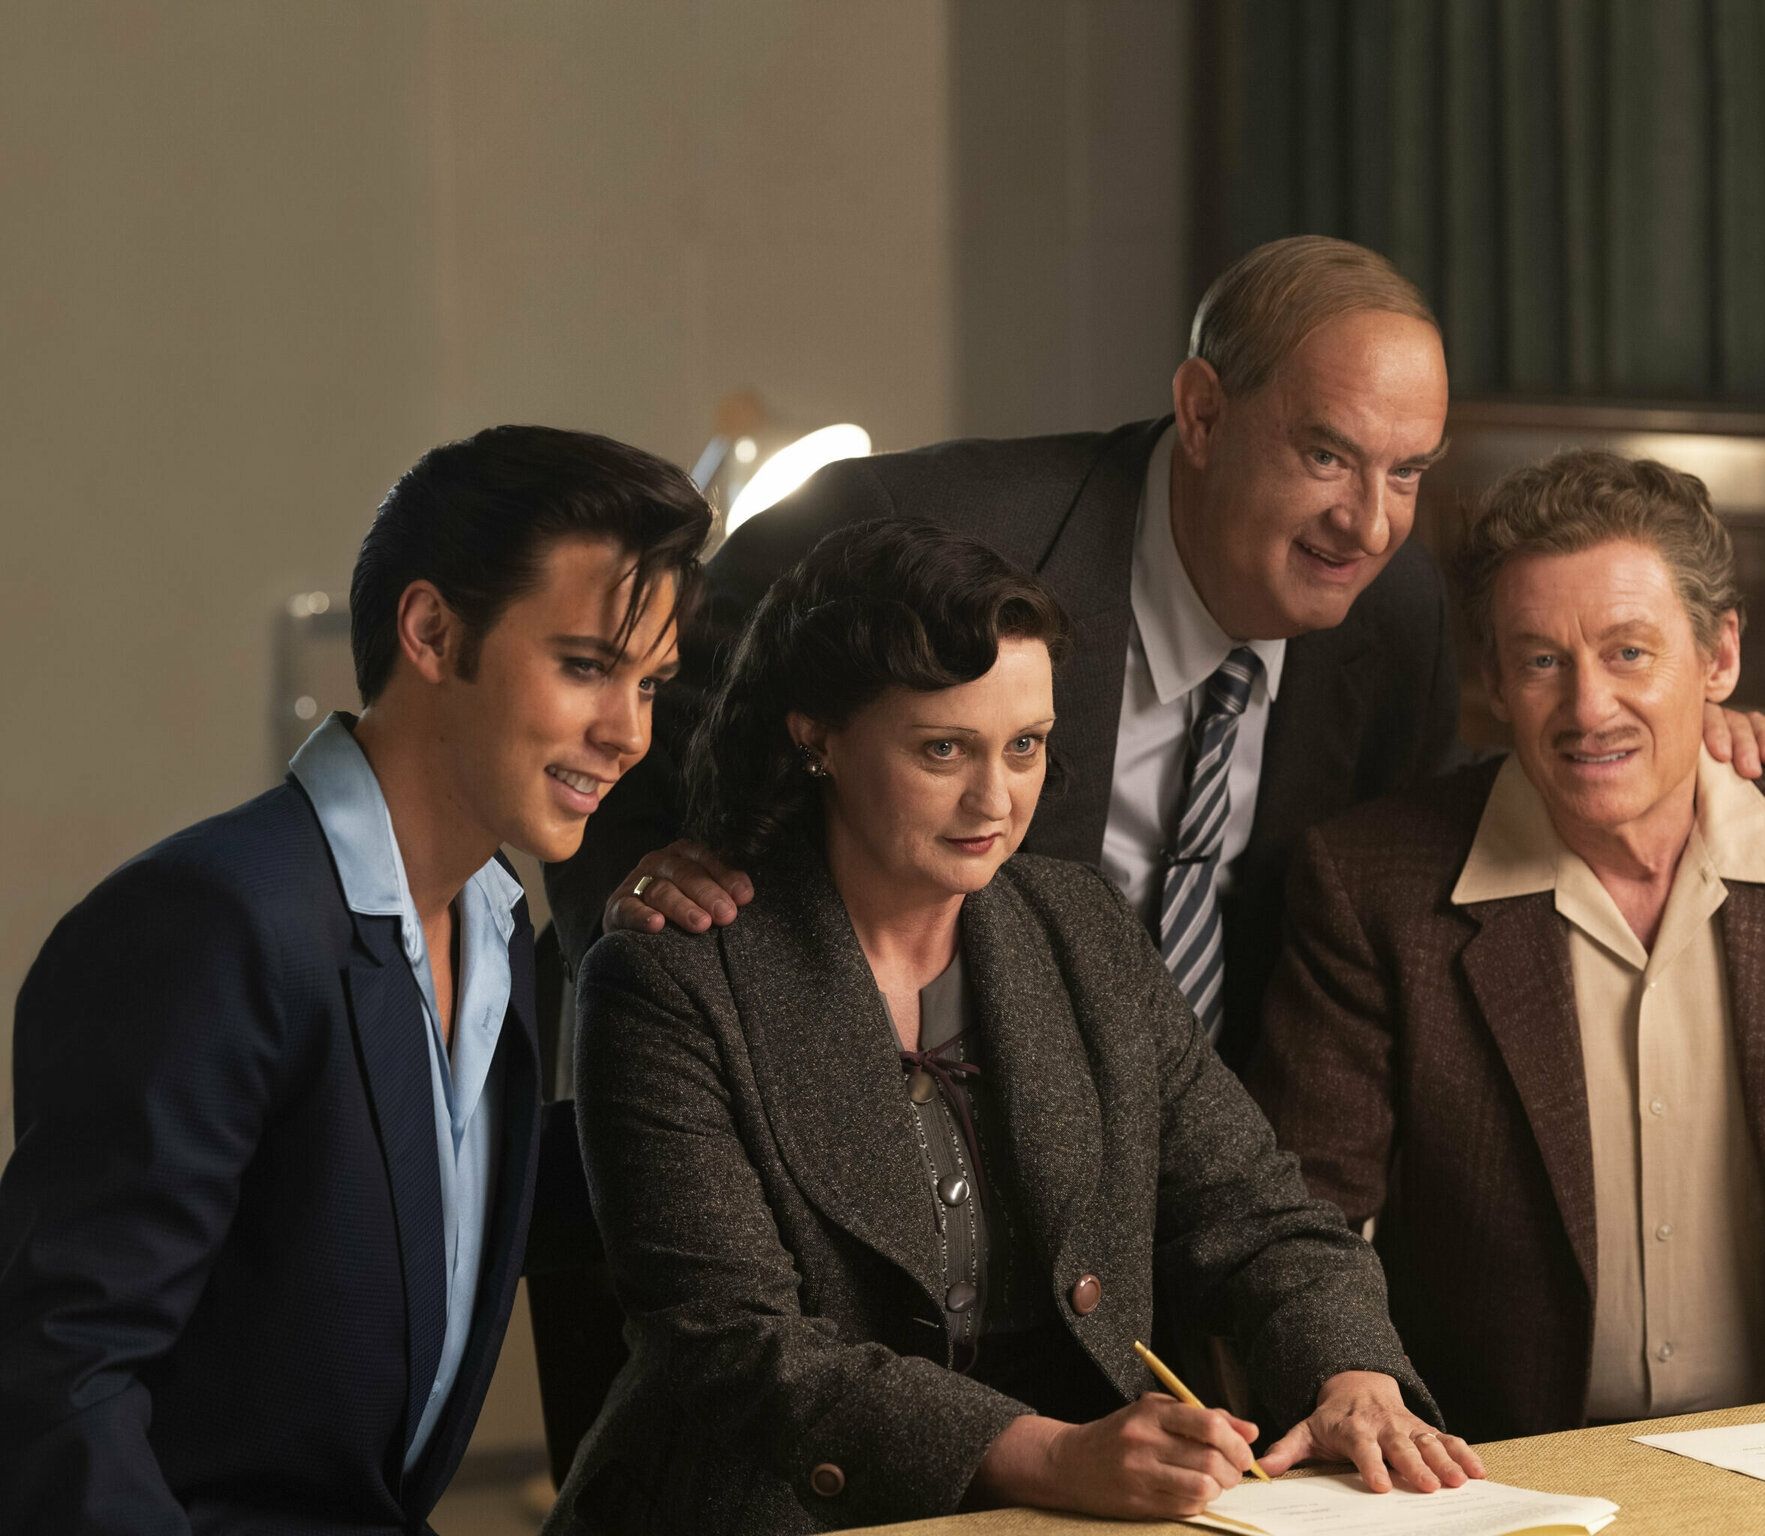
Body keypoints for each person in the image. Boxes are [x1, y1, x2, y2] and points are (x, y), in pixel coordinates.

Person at [544, 519, 1483, 1536]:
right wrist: (1052, 1456)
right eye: (942, 748)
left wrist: (1351, 1375)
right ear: (816, 737)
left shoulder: (1080, 929)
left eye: (1024, 745)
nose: (994, 798)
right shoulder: (669, 980)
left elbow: (1254, 1215)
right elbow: (732, 1347)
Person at [0, 426, 711, 1535]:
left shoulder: (494, 924)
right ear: (431, 632)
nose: (627, 733)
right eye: (585, 666)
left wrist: (724, 1045)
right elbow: (60, 1379)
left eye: (650, 684)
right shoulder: (209, 922)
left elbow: (417, 1220)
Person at [548, 235, 1458, 1071]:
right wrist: (636, 887)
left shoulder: (1398, 617)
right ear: (1202, 413)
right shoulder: (910, 524)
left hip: (1204, 1137)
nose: (1370, 527)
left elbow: (1365, 929)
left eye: (1407, 472)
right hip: (881, 1104)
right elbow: (629, 696)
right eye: (1326, 457)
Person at [1250, 450, 1765, 1442]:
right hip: (1500, 1472)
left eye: (1628, 653)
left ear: (1718, 658)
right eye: (1540, 661)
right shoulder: (1373, 888)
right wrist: (1346, 1370)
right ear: (1491, 679)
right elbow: (1297, 1212)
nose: (1587, 709)